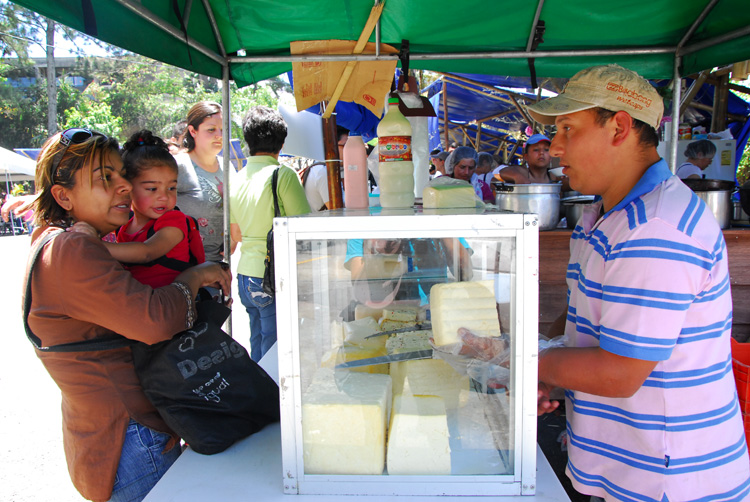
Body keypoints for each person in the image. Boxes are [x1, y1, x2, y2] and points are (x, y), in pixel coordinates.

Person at [461, 64, 750, 501]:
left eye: (567, 129)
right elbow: (584, 322)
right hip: (626, 465)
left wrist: (521, 361)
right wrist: (548, 370)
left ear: (619, 127)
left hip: (670, 480)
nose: (555, 148)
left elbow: (619, 372)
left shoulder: (656, 228)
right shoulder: (603, 217)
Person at [25, 128, 231, 502]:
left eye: (122, 174)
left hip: (114, 431)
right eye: (106, 178)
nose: (123, 186)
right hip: (131, 435)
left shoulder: (56, 240)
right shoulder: (73, 248)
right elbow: (154, 320)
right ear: (63, 195)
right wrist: (195, 276)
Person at [230, 106, 311, 362]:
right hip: (271, 276)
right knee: (275, 347)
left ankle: (257, 393)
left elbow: (236, 233)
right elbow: (303, 227)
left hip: (245, 276)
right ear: (282, 141)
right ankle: (271, 397)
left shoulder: (238, 177)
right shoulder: (282, 175)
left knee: (257, 340)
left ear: (248, 140)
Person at [101, 130, 206, 288]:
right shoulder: (124, 226)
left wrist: (93, 246)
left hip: (170, 306)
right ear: (127, 187)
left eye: (171, 188)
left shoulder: (173, 221)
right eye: (152, 189)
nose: (163, 196)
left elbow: (147, 252)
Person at [174, 101, 225, 263]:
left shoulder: (227, 166)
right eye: (211, 130)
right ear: (192, 131)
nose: (219, 135)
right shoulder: (178, 165)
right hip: (184, 265)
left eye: (223, 130)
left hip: (219, 264)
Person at [302, 126, 348, 212]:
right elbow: (338, 212)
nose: (350, 151)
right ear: (332, 146)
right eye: (345, 146)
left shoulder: (319, 168)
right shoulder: (324, 172)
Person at [497, 134, 564, 184]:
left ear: (550, 157)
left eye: (546, 150)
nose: (541, 153)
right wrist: (518, 177)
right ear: (526, 157)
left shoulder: (552, 176)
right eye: (536, 149)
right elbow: (503, 171)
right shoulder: (524, 173)